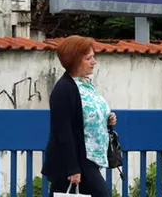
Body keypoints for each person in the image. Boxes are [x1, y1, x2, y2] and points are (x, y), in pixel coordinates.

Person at [42, 37, 116, 197]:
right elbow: (63, 130)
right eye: (88, 58)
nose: (94, 62)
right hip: (76, 162)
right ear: (75, 61)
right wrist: (73, 168)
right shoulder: (64, 89)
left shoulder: (85, 84)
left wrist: (107, 119)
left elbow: (85, 116)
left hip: (89, 159)